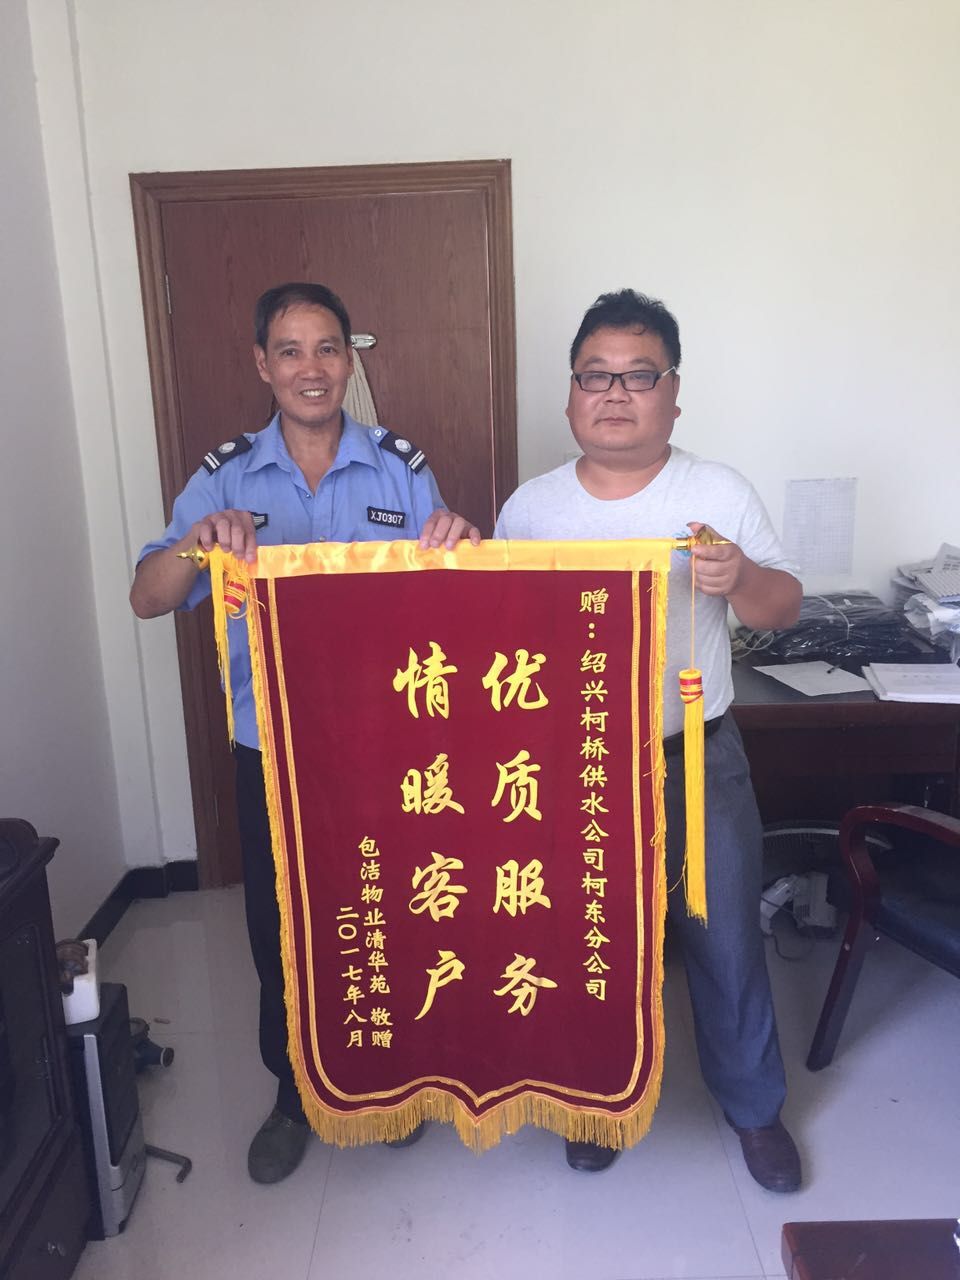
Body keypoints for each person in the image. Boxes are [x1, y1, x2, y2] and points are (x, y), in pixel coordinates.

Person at [131, 281, 479, 1184]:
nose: (311, 368)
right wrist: (197, 543)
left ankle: (391, 1080)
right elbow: (147, 598)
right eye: (289, 350)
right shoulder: (225, 477)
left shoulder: (401, 468)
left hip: (388, 747)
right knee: (281, 924)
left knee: (392, 910)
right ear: (263, 364)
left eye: (327, 348)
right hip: (275, 747)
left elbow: (455, 604)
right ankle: (294, 1094)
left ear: (349, 360)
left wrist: (459, 545)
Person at [493, 289, 803, 1192]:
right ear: (570, 394)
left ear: (673, 393)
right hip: (570, 767)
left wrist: (739, 577)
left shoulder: (716, 492)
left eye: (639, 375)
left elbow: (783, 609)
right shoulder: (530, 509)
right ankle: (592, 1103)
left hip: (692, 757)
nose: (615, 393)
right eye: (596, 376)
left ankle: (754, 1110)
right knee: (587, 941)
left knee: (725, 939)